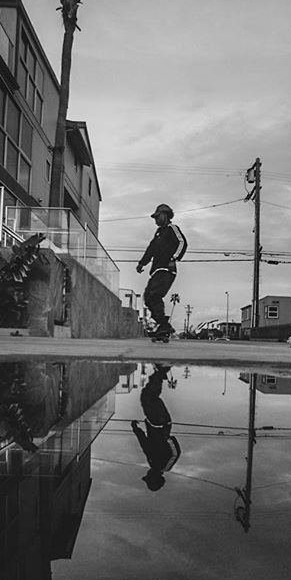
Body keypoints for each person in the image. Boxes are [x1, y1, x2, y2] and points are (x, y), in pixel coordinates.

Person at [136, 203, 187, 336]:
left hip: (167, 269)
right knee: (148, 297)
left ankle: (163, 324)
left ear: (165, 215)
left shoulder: (172, 228)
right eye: (155, 218)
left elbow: (182, 242)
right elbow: (151, 249)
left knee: (155, 295)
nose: (156, 220)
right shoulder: (158, 233)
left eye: (158, 217)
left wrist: (174, 258)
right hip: (156, 270)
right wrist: (142, 263)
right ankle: (162, 324)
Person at [131, 366, 181, 491]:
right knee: (149, 399)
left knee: (148, 398)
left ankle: (159, 374)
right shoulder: (165, 467)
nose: (147, 474)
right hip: (161, 423)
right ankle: (160, 373)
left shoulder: (152, 463)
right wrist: (167, 438)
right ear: (155, 478)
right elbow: (175, 453)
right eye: (149, 477)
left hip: (153, 424)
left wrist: (136, 429)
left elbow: (145, 444)